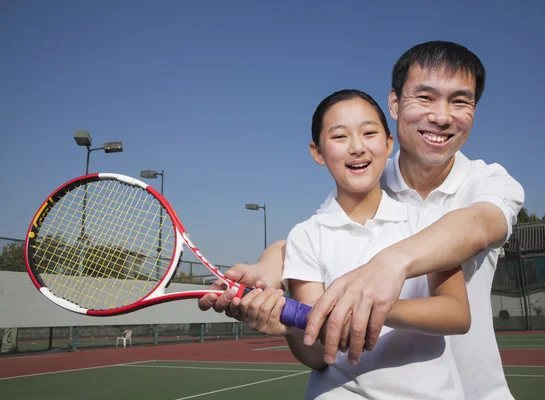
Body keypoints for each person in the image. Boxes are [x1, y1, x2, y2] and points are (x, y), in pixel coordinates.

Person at [199, 41, 524, 400]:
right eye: (426, 98)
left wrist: (386, 271)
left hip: (474, 391)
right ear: (396, 105)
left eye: (460, 101)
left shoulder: (489, 182)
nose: (442, 116)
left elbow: (476, 226)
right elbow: (314, 238)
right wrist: (270, 271)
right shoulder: (366, 178)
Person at [238, 88, 470, 399]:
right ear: (317, 152)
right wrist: (293, 328)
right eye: (339, 137)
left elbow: (457, 314)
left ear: (389, 143)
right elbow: (319, 356)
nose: (357, 147)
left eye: (369, 133)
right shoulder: (305, 236)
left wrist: (371, 306)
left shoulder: (428, 220)